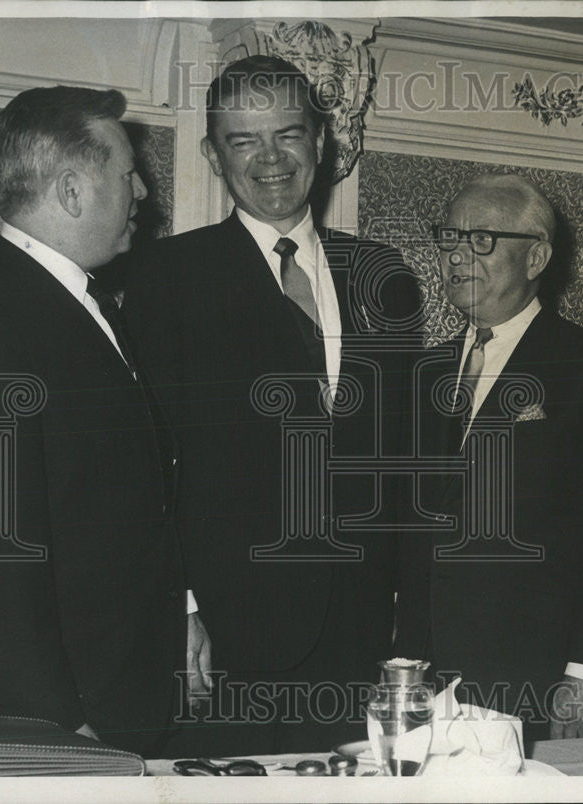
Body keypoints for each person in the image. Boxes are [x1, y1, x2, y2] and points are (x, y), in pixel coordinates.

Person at [122, 55, 422, 754]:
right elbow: (145, 464)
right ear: (211, 153)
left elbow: (404, 462)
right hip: (228, 637)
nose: (271, 160)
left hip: (361, 633)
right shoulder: (167, 277)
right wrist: (183, 610)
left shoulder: (386, 277)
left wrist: (412, 620)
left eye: (288, 134)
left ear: (321, 141)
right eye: (243, 140)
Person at [0, 86, 211, 758]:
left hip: (114, 691)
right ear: (74, 189)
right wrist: (56, 732)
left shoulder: (68, 302)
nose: (140, 191)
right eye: (126, 171)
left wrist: (181, 612)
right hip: (58, 721)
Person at [394, 174, 583, 748]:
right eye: (448, 238)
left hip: (542, 679)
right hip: (428, 678)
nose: (458, 256)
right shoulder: (425, 373)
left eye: (482, 240)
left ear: (536, 256)